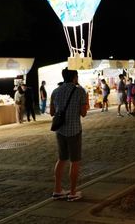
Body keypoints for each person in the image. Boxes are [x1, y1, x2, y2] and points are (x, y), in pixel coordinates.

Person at [50, 68, 88, 202]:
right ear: (74, 77)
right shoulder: (80, 91)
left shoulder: (55, 91)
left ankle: (57, 190)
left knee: (61, 159)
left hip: (60, 131)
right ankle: (72, 192)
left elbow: (51, 112)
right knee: (75, 161)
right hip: (74, 130)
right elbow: (83, 113)